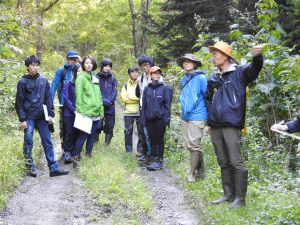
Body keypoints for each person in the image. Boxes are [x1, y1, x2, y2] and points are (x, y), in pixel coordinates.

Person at [205, 41, 263, 209]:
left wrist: (257, 57)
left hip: (232, 123)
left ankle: (240, 199)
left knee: (236, 161)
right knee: (223, 161)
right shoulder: (214, 76)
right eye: (213, 53)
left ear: (226, 56)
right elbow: (207, 98)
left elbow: (255, 69)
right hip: (215, 125)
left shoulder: (240, 72)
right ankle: (228, 194)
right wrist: (210, 118)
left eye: (216, 53)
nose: (213, 57)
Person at [15, 55, 69, 177]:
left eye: (37, 65)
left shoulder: (43, 80)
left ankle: (53, 168)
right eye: (33, 65)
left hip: (42, 117)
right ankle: (30, 167)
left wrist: (50, 114)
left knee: (48, 141)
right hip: (29, 117)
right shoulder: (22, 82)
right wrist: (22, 119)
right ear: (27, 67)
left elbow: (48, 98)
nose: (35, 67)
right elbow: (19, 102)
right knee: (28, 141)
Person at [176, 53, 208, 182]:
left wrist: (210, 117)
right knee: (191, 144)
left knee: (194, 145)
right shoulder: (184, 79)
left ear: (194, 64)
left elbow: (207, 96)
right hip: (185, 116)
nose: (186, 63)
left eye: (189, 61)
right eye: (184, 62)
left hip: (198, 114)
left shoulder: (201, 78)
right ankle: (201, 172)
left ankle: (192, 173)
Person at [50, 50, 80, 163]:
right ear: (67, 58)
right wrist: (49, 102)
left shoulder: (79, 69)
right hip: (64, 104)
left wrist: (81, 62)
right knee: (65, 128)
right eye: (71, 58)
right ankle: (66, 150)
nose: (73, 61)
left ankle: (75, 150)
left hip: (79, 105)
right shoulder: (61, 71)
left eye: (75, 59)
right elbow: (54, 86)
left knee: (78, 127)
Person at [140, 66, 173, 170]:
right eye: (155, 73)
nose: (157, 75)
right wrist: (143, 119)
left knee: (159, 140)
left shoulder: (165, 88)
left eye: (159, 73)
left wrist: (166, 118)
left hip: (160, 119)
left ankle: (160, 160)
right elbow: (144, 105)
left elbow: (167, 105)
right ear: (150, 75)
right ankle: (154, 158)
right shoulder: (147, 89)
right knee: (152, 139)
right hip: (149, 119)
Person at [73, 56, 104, 164]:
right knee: (83, 135)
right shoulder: (81, 78)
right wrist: (81, 111)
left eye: (91, 63)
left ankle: (88, 154)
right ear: (83, 65)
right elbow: (79, 95)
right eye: (86, 63)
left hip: (95, 112)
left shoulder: (95, 79)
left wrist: (101, 110)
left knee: (92, 136)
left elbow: (99, 96)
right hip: (85, 113)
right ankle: (76, 156)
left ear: (93, 65)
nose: (89, 65)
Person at [135, 54, 156, 163]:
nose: (145, 67)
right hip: (143, 108)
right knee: (144, 132)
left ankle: (152, 156)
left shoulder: (156, 76)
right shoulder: (142, 77)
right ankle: (146, 153)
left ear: (151, 64)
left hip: (153, 109)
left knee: (151, 134)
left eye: (147, 65)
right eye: (143, 65)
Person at [120, 67, 144, 153]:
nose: (134, 74)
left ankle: (139, 150)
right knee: (127, 131)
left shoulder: (141, 83)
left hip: (139, 111)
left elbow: (143, 97)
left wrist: (131, 98)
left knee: (141, 132)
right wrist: (137, 99)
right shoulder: (126, 85)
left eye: (136, 72)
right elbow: (124, 99)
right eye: (132, 72)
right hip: (128, 112)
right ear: (129, 74)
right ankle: (128, 150)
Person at [95, 58, 118, 145]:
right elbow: (96, 91)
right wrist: (102, 100)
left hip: (110, 105)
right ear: (102, 67)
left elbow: (115, 92)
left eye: (109, 66)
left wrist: (109, 101)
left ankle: (107, 143)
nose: (107, 68)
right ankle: (95, 142)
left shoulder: (113, 79)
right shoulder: (96, 78)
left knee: (110, 124)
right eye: (105, 66)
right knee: (98, 124)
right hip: (99, 105)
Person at [62, 63, 82, 163]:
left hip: (81, 112)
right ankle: (67, 151)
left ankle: (76, 152)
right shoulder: (68, 83)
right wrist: (73, 109)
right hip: (69, 113)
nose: (80, 73)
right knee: (69, 132)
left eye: (82, 71)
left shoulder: (84, 84)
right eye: (78, 71)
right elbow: (66, 98)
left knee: (78, 132)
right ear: (74, 72)